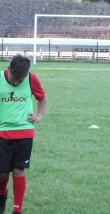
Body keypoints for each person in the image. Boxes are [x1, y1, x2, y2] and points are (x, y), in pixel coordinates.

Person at [0, 54, 47, 214]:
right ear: (8, 69)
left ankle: (17, 209)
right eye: (14, 79)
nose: (16, 82)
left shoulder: (32, 79)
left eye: (20, 80)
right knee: (2, 172)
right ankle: (2, 192)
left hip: (25, 132)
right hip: (2, 133)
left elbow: (42, 98)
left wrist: (39, 115)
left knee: (19, 170)